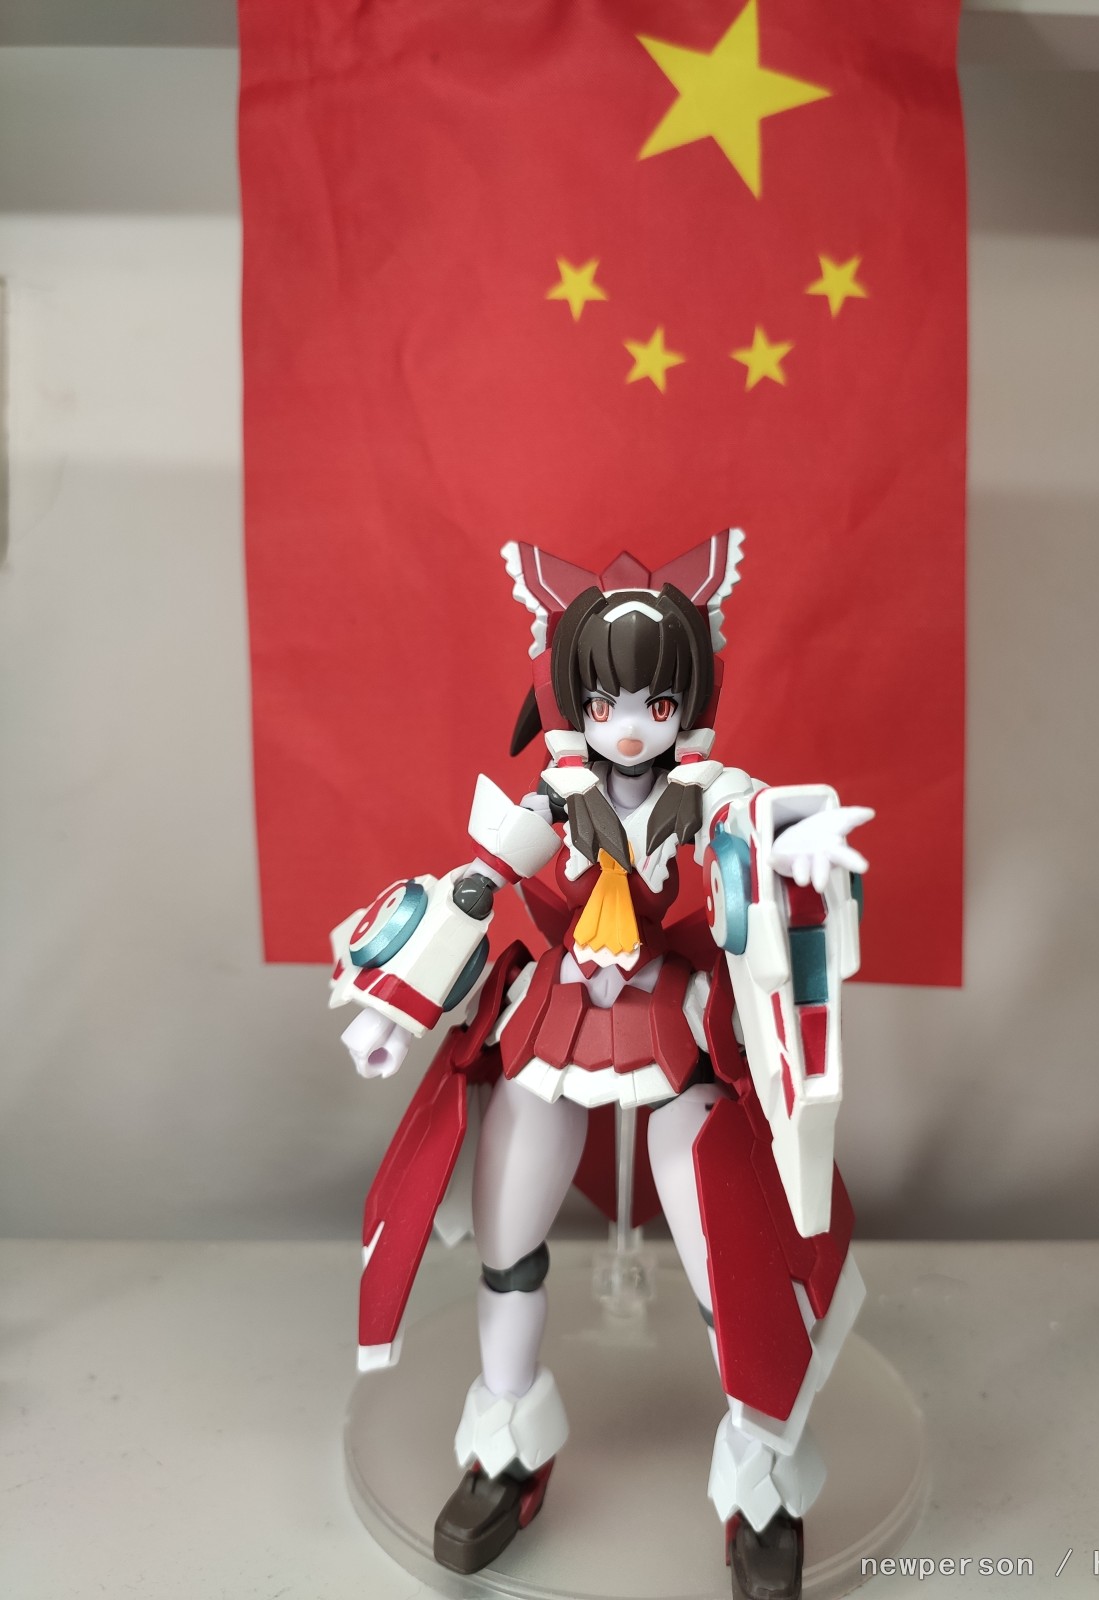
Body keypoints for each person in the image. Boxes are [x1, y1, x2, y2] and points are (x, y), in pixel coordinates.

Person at [332, 530, 872, 1600]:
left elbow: (759, 827)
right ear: (576, 700)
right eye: (608, 702)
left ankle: (762, 1482)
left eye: (657, 705)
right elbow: (474, 889)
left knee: (727, 1256)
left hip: (672, 1027)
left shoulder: (706, 792)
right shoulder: (555, 797)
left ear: (687, 704)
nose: (631, 725)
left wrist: (798, 851)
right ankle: (505, 1446)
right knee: (508, 1245)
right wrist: (392, 1005)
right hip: (560, 1017)